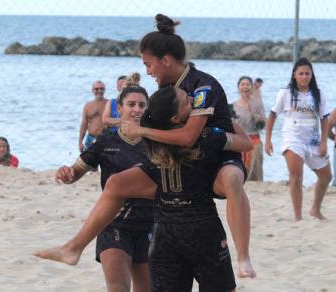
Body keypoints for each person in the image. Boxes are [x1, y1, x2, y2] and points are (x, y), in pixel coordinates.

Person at [34, 85, 255, 292]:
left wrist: (143, 126)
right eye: (186, 102)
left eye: (142, 105)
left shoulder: (151, 140)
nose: (192, 101)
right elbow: (245, 143)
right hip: (190, 228)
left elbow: (134, 154)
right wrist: (212, 115)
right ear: (180, 117)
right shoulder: (208, 137)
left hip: (161, 230)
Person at [121, 14, 255, 278]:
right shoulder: (167, 88)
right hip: (184, 164)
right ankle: (75, 246)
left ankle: (244, 256)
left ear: (166, 60)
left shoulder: (202, 86)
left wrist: (140, 130)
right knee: (116, 184)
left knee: (232, 179)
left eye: (149, 65)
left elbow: (187, 137)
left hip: (217, 159)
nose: (147, 72)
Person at [51, 78, 158, 292]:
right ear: (119, 108)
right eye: (131, 105)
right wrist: (66, 173)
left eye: (141, 105)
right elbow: (76, 171)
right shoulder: (106, 141)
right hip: (113, 226)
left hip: (149, 228)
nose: (136, 110)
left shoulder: (156, 142)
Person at [265, 57, 332, 221]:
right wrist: (268, 140)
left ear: (311, 75)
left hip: (313, 139)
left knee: (326, 176)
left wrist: (324, 142)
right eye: (301, 73)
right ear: (294, 75)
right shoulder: (285, 93)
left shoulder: (318, 94)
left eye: (307, 73)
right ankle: (298, 217)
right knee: (296, 175)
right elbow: (273, 115)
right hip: (292, 137)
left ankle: (315, 209)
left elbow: (324, 118)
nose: (304, 77)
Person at [233, 76, 266, 181]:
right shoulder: (233, 106)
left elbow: (263, 124)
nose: (245, 87)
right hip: (239, 142)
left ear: (251, 87)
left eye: (247, 85)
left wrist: (257, 117)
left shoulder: (257, 104)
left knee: (254, 176)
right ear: (238, 88)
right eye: (242, 84)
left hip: (254, 142)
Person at [78, 80, 108, 151]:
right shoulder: (88, 105)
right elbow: (84, 124)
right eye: (96, 89)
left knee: (107, 161)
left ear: (104, 90)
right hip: (90, 138)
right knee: (87, 161)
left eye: (101, 88)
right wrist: (80, 142)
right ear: (92, 90)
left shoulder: (109, 104)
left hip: (105, 139)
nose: (99, 91)